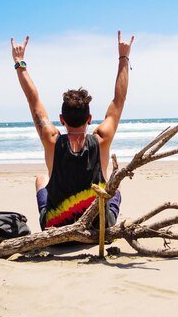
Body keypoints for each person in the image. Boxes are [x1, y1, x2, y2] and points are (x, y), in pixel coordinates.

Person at [11, 31, 134, 231]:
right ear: (90, 119)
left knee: (42, 179)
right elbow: (119, 100)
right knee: (114, 182)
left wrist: (20, 63)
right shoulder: (101, 138)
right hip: (98, 224)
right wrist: (123, 56)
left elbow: (32, 100)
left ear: (61, 120)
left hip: (56, 224)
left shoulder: (51, 139)